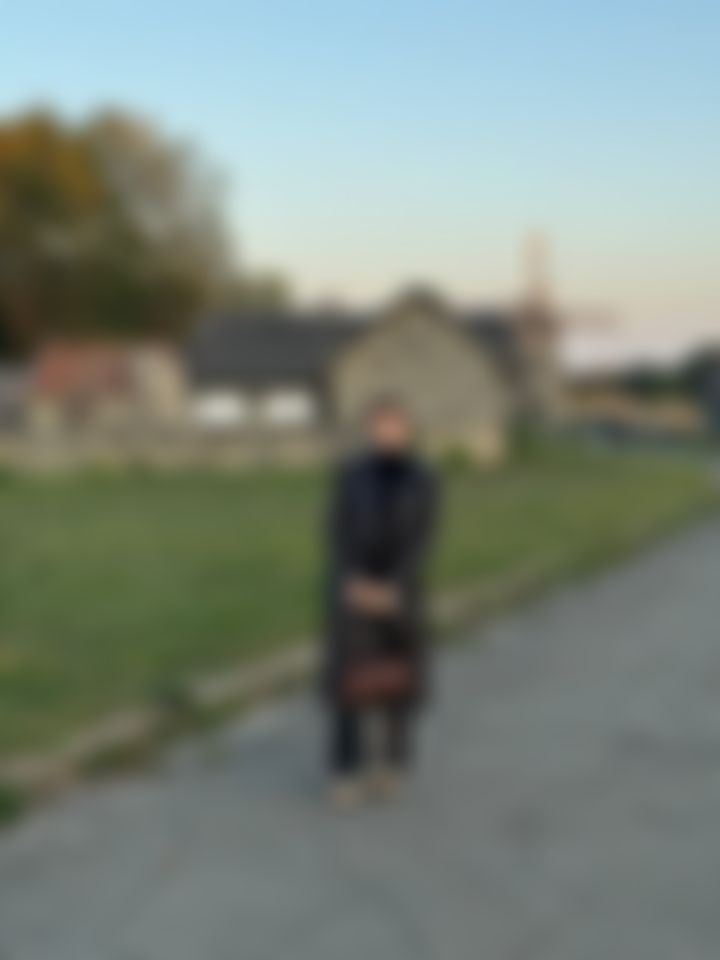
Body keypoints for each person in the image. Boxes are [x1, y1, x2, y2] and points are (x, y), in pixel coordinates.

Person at [322, 395, 438, 809]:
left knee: (397, 680)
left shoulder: (423, 478)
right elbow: (337, 531)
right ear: (370, 430)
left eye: (394, 424)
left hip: (399, 593)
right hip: (353, 590)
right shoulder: (351, 475)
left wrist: (394, 587)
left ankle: (391, 761)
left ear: (407, 430)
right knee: (348, 684)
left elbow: (422, 539)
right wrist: (352, 580)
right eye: (379, 425)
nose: (386, 432)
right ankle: (346, 771)